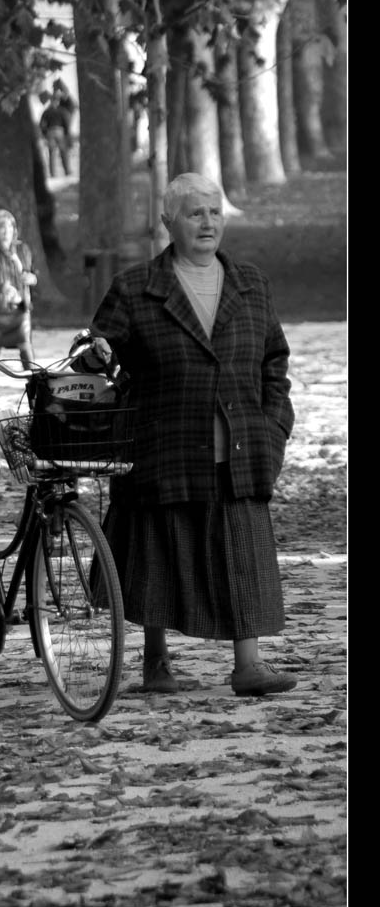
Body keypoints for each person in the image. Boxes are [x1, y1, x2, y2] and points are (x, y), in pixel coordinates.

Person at [84, 172, 297, 698]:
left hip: (242, 444)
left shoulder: (251, 284)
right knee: (159, 554)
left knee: (242, 554)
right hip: (166, 444)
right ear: (168, 223)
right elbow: (98, 355)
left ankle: (248, 666)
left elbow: (275, 361)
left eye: (214, 212)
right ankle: (156, 663)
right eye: (194, 213)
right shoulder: (136, 288)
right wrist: (96, 353)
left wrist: (274, 426)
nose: (207, 222)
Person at [0, 208, 38, 398]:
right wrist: (2, 286)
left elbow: (32, 272)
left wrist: (30, 278)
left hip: (20, 309)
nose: (6, 232)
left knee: (25, 347)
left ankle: (35, 383)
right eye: (1, 228)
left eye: (9, 227)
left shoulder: (23, 249)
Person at [39, 91, 72, 177]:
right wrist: (67, 134)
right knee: (63, 152)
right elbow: (66, 123)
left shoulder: (46, 112)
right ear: (57, 101)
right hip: (59, 131)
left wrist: (44, 134)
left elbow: (42, 124)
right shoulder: (62, 111)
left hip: (50, 132)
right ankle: (67, 171)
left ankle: (53, 174)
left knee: (52, 153)